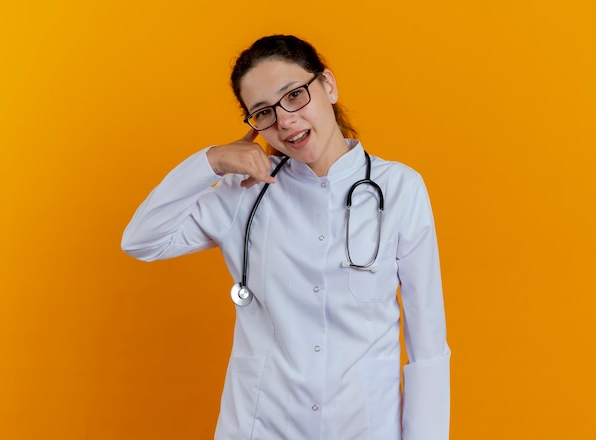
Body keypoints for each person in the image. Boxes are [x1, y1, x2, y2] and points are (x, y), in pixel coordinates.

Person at [122, 34, 450, 440]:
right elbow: (142, 240)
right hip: (261, 426)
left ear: (327, 85)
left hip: (365, 427)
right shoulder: (243, 193)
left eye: (294, 95)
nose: (285, 121)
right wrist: (210, 162)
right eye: (263, 112)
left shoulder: (400, 188)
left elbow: (428, 345)